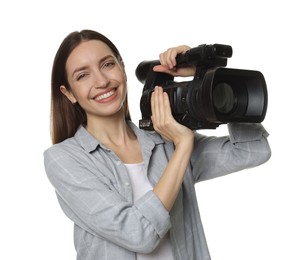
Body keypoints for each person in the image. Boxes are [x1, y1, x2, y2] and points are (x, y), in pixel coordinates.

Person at [43, 29, 271, 260]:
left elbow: (253, 150)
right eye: (83, 75)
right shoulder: (64, 159)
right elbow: (139, 233)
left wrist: (210, 78)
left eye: (108, 64)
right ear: (69, 93)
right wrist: (182, 146)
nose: (102, 81)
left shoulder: (163, 138)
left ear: (122, 68)